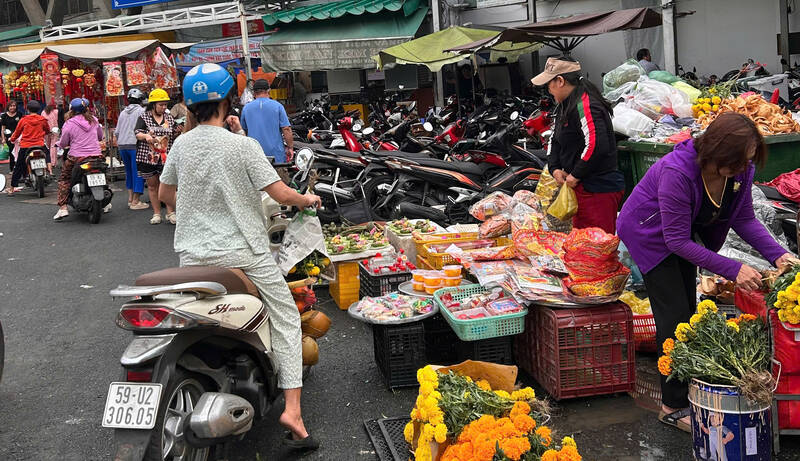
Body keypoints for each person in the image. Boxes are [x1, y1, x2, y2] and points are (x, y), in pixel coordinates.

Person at [158, 63, 322, 451]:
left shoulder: (181, 145)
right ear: (229, 100)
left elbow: (166, 196)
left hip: (193, 258)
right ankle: (293, 414)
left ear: (189, 105)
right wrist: (308, 198)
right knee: (284, 317)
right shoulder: (242, 145)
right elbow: (281, 195)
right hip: (245, 254)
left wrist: (201, 209)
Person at [617, 112, 793, 432]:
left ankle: (687, 385)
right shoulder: (677, 172)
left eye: (748, 161)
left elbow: (745, 220)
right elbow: (675, 241)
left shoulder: (741, 170)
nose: (744, 168)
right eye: (738, 162)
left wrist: (779, 255)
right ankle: (672, 405)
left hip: (682, 233)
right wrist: (735, 269)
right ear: (715, 152)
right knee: (674, 316)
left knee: (690, 309)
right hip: (649, 233)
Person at [532, 56, 625, 234]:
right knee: (582, 247)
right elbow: (555, 139)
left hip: (597, 190)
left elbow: (597, 145)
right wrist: (555, 168)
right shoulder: (563, 106)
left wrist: (575, 175)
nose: (548, 90)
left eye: (548, 84)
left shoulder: (586, 104)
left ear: (560, 81)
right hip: (581, 190)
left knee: (598, 248)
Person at [53, 98, 106, 221]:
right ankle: (106, 203)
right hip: (96, 155)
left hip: (76, 157)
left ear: (71, 110)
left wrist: (59, 144)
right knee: (103, 173)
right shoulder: (94, 120)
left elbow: (64, 141)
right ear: (87, 109)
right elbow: (100, 136)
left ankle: (63, 208)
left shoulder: (69, 123)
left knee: (64, 178)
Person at [135, 88, 180, 225]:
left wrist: (179, 131)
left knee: (168, 184)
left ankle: (170, 212)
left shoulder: (169, 118)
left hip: (166, 156)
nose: (163, 107)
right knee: (153, 185)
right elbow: (137, 133)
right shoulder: (144, 117)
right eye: (161, 104)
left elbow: (174, 134)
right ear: (153, 104)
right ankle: (156, 213)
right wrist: (146, 136)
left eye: (165, 104)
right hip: (148, 157)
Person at [240, 79, 293, 163]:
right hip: (276, 155)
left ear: (254, 92)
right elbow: (286, 129)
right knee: (278, 175)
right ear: (268, 90)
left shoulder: (246, 108)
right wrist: (290, 147)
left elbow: (242, 132)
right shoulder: (278, 106)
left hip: (254, 155)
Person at [7, 100, 50, 195]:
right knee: (48, 155)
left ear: (27, 109)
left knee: (18, 166)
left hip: (26, 146)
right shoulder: (42, 120)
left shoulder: (23, 120)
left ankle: (12, 187)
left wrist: (12, 139)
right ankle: (49, 171)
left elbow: (17, 133)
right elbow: (47, 130)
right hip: (40, 145)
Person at [115, 88, 148, 210]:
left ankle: (130, 199)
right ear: (140, 99)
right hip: (135, 145)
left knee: (129, 172)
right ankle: (136, 201)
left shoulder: (123, 113)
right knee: (138, 172)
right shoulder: (141, 111)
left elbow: (117, 132)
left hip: (123, 146)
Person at [1, 100, 21, 174]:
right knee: (12, 153)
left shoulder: (19, 114)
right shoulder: (4, 116)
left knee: (20, 152)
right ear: (8, 107)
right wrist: (3, 138)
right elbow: (3, 128)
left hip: (19, 137)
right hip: (9, 137)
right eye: (11, 106)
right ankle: (12, 169)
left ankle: (21, 168)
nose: (12, 107)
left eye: (14, 106)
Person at [43, 102, 59, 173]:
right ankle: (53, 162)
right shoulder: (56, 111)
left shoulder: (43, 112)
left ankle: (47, 162)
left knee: (47, 146)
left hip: (46, 131)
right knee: (53, 146)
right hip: (54, 130)